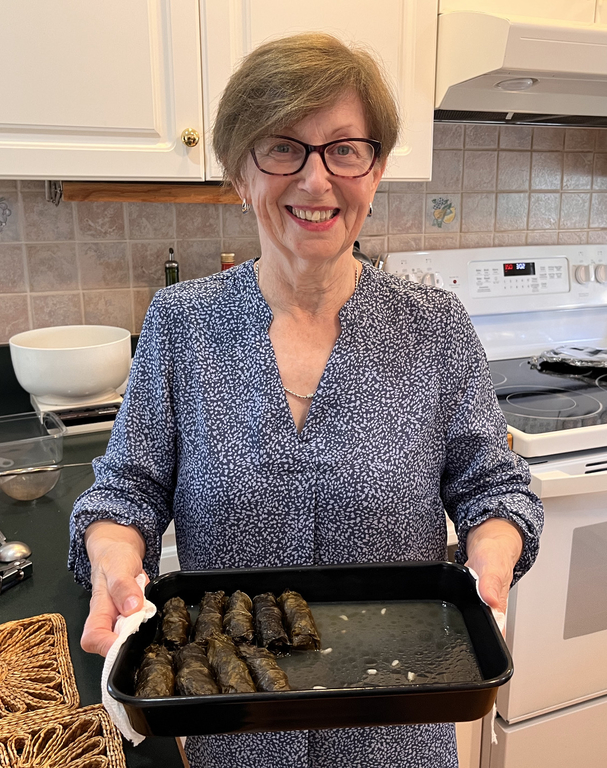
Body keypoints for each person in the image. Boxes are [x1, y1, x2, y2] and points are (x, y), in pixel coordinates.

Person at [69, 32, 543, 768]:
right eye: (282, 147)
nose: (316, 180)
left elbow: (492, 485)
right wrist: (112, 559)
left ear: (376, 168)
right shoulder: (180, 324)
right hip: (234, 732)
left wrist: (491, 549)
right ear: (236, 169)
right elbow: (126, 490)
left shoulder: (434, 326)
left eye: (345, 149)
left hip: (401, 719)